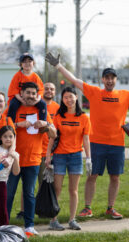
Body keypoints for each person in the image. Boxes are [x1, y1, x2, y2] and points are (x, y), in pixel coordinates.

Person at [46, 52, 129, 220]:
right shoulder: (94, 92)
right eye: (106, 78)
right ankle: (87, 208)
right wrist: (58, 66)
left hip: (117, 144)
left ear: (116, 80)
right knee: (92, 176)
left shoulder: (125, 95)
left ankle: (111, 208)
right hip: (96, 143)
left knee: (115, 177)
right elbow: (74, 80)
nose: (109, 80)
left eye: (112, 78)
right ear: (102, 80)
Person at [6, 82, 57, 236]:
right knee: (9, 193)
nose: (30, 96)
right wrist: (18, 124)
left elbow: (54, 134)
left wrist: (46, 124)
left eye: (33, 93)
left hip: (33, 160)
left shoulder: (41, 110)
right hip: (14, 159)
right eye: (27, 93)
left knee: (29, 193)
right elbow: (4, 128)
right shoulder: (15, 108)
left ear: (37, 95)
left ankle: (29, 226)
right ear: (21, 94)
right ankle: (4, 224)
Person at [45, 86, 91, 231]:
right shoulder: (58, 117)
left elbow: (86, 139)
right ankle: (53, 220)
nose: (69, 100)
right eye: (65, 97)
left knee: (74, 190)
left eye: (71, 96)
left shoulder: (84, 117)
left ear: (76, 97)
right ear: (62, 100)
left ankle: (72, 220)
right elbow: (52, 138)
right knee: (57, 189)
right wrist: (48, 156)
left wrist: (89, 158)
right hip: (59, 156)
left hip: (76, 156)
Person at [16, 82, 60, 220]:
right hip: (29, 152)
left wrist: (46, 125)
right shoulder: (35, 107)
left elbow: (55, 131)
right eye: (46, 89)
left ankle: (45, 212)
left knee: (45, 184)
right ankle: (23, 212)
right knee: (27, 186)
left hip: (47, 152)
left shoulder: (56, 108)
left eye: (52, 89)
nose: (49, 91)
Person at [7, 52, 47, 123]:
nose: (27, 63)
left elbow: (40, 90)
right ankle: (10, 124)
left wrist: (37, 100)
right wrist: (22, 100)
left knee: (43, 104)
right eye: (24, 61)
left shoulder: (36, 77)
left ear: (33, 63)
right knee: (13, 104)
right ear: (21, 64)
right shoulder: (17, 76)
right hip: (19, 97)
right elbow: (14, 90)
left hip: (32, 98)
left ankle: (43, 122)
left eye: (29, 61)